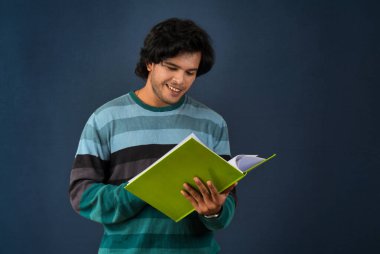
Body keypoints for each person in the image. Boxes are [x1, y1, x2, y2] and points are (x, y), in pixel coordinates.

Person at [69, 17, 237, 253]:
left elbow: (226, 208)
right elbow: (82, 195)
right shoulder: (105, 118)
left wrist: (215, 211)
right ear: (150, 62)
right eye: (171, 68)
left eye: (190, 72)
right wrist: (141, 190)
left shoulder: (212, 123)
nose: (180, 81)